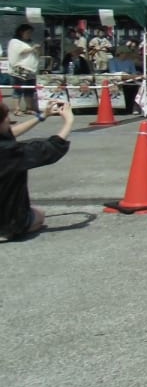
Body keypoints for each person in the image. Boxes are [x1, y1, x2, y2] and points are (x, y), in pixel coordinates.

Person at [0, 99, 74, 239]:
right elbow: (51, 149)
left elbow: (9, 134)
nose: (9, 121)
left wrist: (42, 116)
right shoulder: (11, 152)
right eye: (6, 118)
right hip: (7, 219)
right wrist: (69, 121)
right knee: (39, 214)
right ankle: (7, 231)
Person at [6, 24, 40, 117]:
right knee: (18, 90)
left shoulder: (31, 42)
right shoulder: (15, 41)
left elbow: (34, 52)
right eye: (28, 32)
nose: (30, 34)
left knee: (29, 90)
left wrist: (36, 50)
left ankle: (29, 108)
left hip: (31, 70)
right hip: (19, 70)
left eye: (31, 33)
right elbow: (20, 51)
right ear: (21, 32)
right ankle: (17, 109)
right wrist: (32, 49)